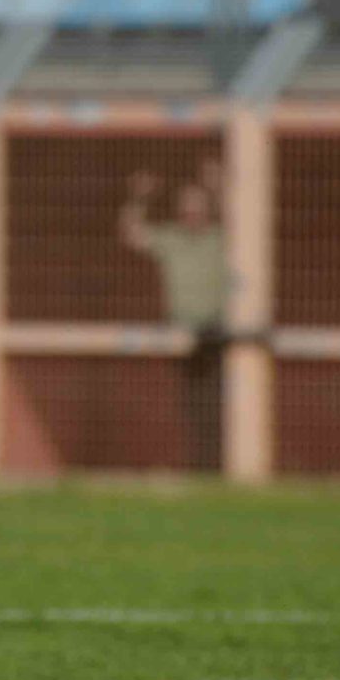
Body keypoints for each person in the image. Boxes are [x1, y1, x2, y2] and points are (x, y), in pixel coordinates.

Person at [118, 165, 228, 470]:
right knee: (192, 403)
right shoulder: (171, 238)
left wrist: (219, 187)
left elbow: (244, 221)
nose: (192, 212)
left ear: (207, 208)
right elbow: (131, 234)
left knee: (220, 403)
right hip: (180, 331)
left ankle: (221, 465)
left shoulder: (219, 237)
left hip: (216, 332)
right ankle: (198, 465)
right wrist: (139, 198)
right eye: (186, 207)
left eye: (197, 206)